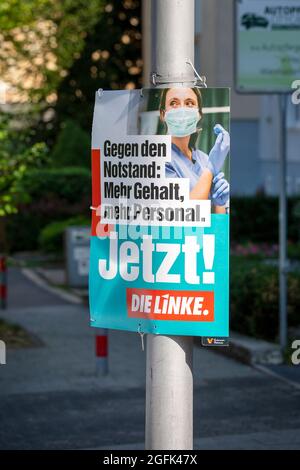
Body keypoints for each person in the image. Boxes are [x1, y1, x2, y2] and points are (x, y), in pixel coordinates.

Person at [159, 87, 230, 213]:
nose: (182, 110)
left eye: (189, 103)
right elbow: (182, 213)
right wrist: (210, 170)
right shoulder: (158, 158)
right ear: (163, 114)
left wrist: (220, 202)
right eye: (173, 103)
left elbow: (218, 220)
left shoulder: (203, 158)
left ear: (199, 114)